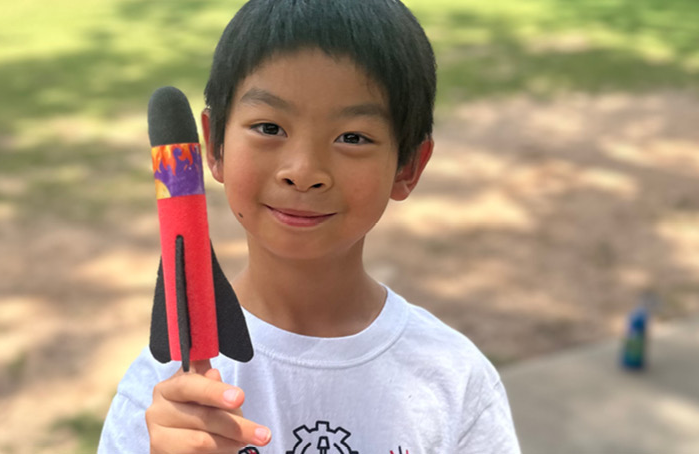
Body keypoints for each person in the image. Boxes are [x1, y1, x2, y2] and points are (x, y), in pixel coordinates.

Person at [99, 0, 520, 452]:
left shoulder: (454, 380)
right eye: (268, 127)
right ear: (215, 146)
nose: (303, 170)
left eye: (353, 137)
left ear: (408, 167)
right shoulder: (161, 395)